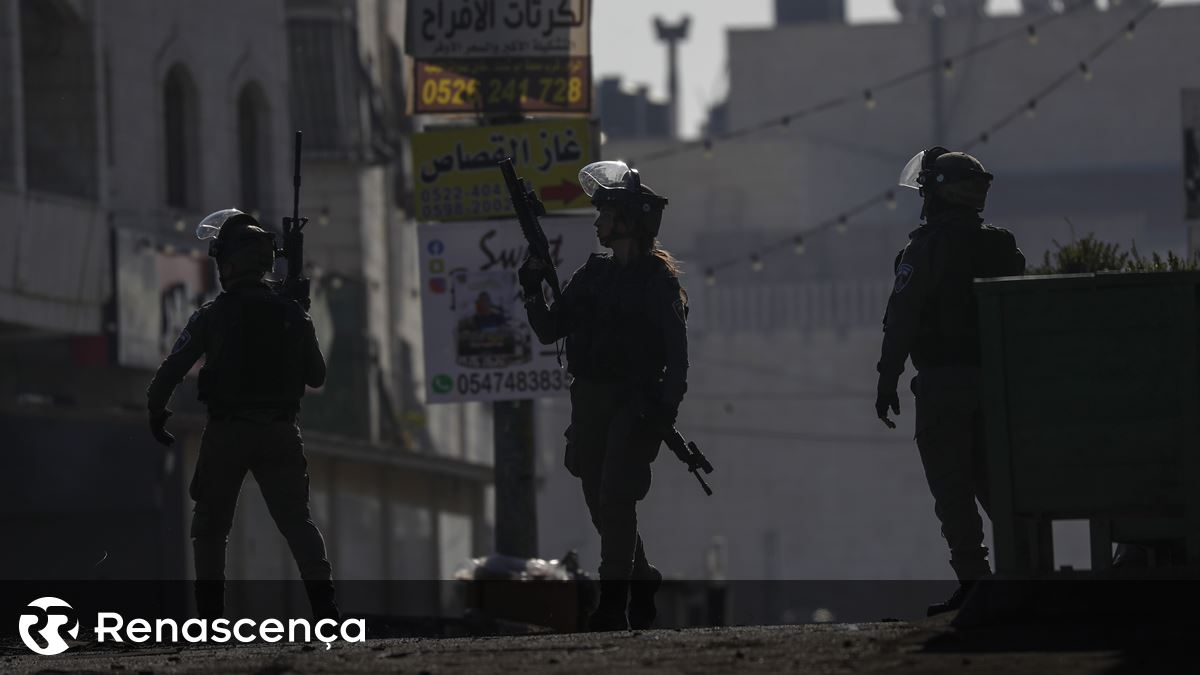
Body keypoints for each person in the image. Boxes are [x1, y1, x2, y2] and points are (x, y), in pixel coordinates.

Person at [518, 161, 688, 631]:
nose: (597, 223)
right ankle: (642, 577)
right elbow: (552, 329)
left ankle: (613, 604)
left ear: (628, 222)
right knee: (598, 498)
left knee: (617, 496)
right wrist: (532, 288)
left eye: (606, 214)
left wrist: (662, 412)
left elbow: (678, 358)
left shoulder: (658, 282)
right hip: (589, 401)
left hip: (635, 403)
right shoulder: (592, 274)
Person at [146, 210, 338, 621]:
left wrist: (154, 411)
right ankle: (326, 610)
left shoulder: (212, 316)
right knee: (297, 523)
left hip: (228, 434)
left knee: (211, 529)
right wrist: (298, 318)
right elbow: (316, 375)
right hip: (281, 432)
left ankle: (212, 621)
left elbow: (171, 369)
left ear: (229, 265)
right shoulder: (291, 314)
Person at [875, 148, 1025, 616]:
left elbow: (901, 318)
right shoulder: (1001, 244)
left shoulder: (924, 248)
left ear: (937, 193)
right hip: (996, 385)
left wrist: (887, 380)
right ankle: (1023, 577)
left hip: (943, 385)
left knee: (953, 487)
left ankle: (976, 583)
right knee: (998, 484)